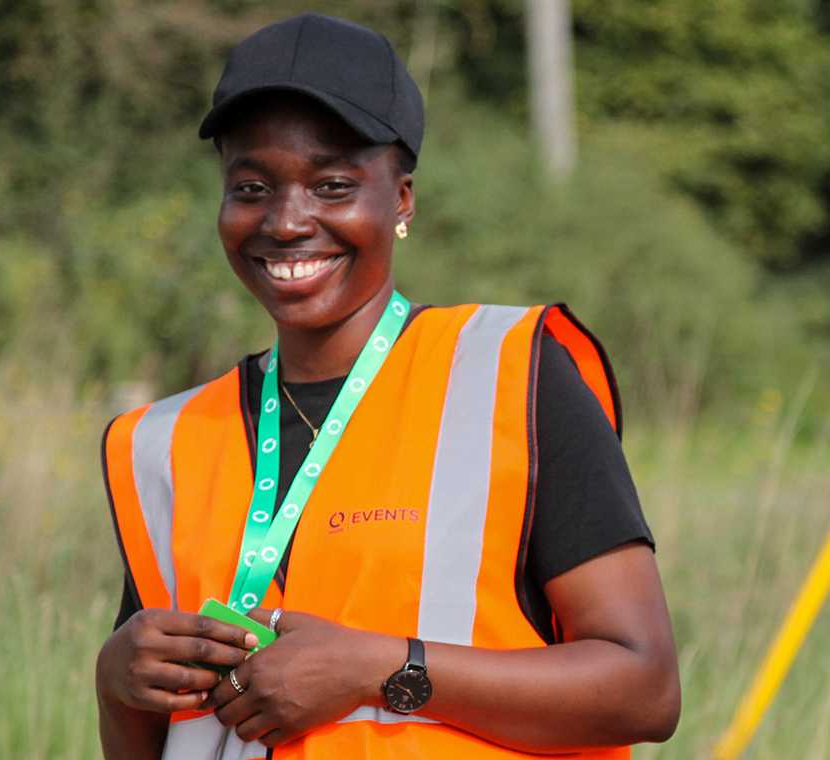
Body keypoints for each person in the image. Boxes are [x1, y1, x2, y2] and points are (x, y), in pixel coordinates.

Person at [93, 14, 678, 759]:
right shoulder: (163, 444)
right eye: (251, 187)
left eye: (332, 185)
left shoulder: (512, 376)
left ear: (401, 200)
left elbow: (645, 688)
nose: (287, 220)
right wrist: (116, 684)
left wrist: (382, 670)